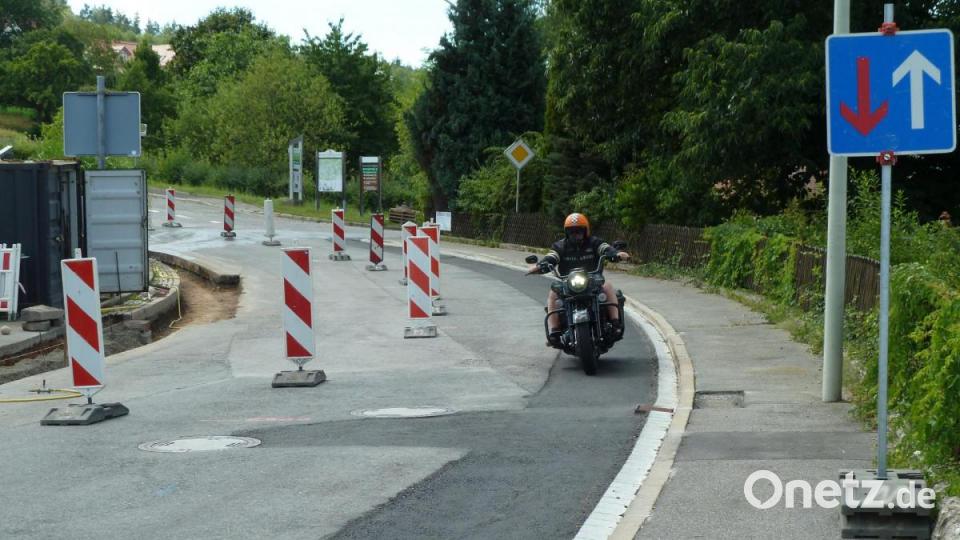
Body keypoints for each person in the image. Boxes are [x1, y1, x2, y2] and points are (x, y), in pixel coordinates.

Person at [527, 213, 630, 346]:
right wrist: (540, 266)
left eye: (579, 231)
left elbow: (605, 248)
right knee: (553, 293)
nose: (576, 234)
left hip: (593, 280)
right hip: (567, 282)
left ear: (585, 231)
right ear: (567, 232)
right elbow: (552, 257)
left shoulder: (594, 242)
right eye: (572, 232)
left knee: (608, 286)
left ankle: (615, 322)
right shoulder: (560, 246)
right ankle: (554, 330)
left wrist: (616, 254)